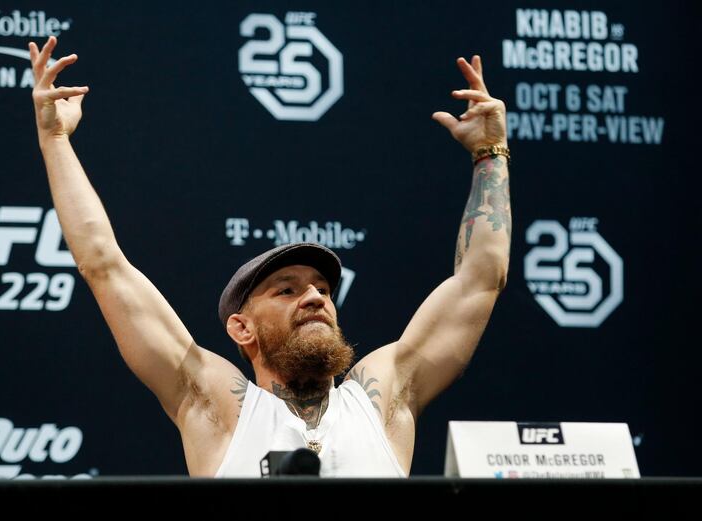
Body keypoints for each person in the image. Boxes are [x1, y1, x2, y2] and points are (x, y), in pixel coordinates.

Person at [28, 36, 511, 477]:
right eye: (287, 289)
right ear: (242, 328)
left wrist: (490, 152)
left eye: (323, 289)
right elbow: (104, 266)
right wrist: (55, 141)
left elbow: (480, 279)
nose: (314, 297)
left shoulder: (383, 397)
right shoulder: (216, 404)